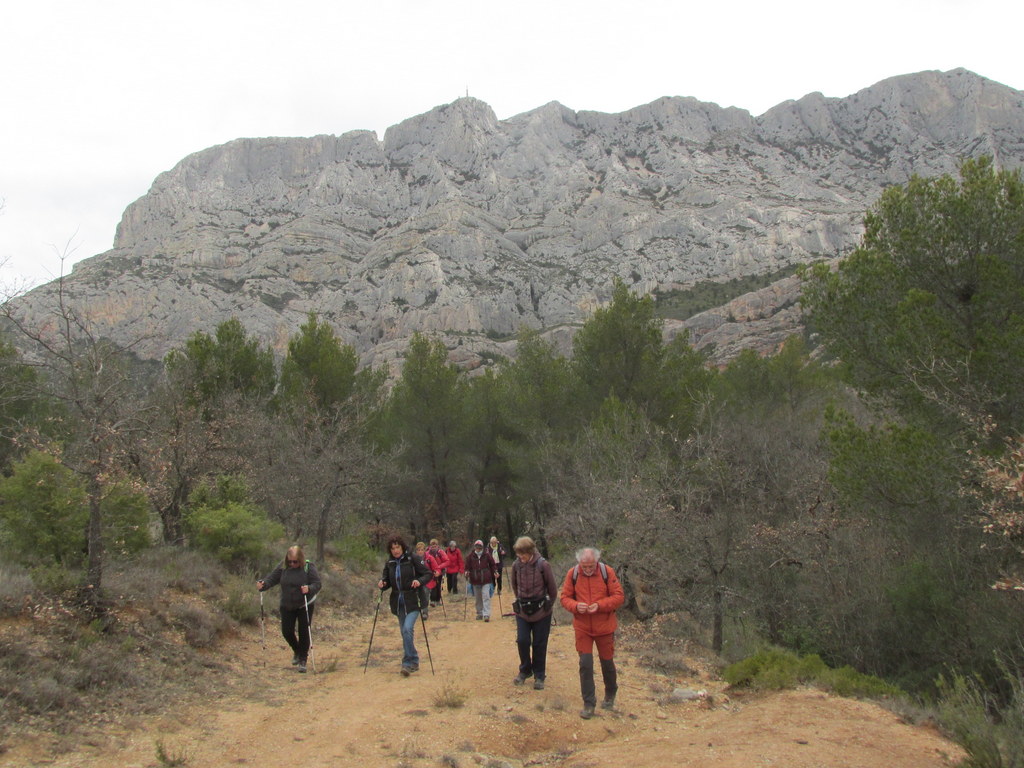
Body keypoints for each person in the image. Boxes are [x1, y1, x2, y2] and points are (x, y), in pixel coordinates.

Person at [559, 547, 625, 719]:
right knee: (585, 664)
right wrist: (575, 606)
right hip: (583, 628)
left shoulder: (606, 572)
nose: (587, 570)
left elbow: (619, 596)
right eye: (584, 566)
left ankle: (610, 694)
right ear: (579, 563)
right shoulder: (572, 574)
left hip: (604, 627)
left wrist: (600, 605)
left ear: (597, 561)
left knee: (607, 663)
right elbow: (564, 598)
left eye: (591, 566)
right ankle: (589, 704)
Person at [257, 545, 321, 674]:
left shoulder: (309, 567)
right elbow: (272, 579)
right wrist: (263, 585)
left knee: (304, 631)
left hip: (305, 604)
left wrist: (309, 588)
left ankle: (303, 659)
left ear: (301, 559)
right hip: (287, 604)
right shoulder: (283, 567)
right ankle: (297, 650)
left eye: (295, 561)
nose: (292, 564)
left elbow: (317, 584)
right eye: (290, 561)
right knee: (286, 631)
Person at [510, 536, 558, 691]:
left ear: (530, 551)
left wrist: (547, 605)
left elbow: (552, 589)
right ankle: (525, 669)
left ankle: (539, 675)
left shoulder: (543, 565)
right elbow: (514, 585)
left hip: (541, 611)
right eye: (518, 554)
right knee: (522, 640)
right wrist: (520, 600)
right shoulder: (516, 565)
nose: (520, 557)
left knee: (539, 643)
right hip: (523, 610)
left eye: (522, 554)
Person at [378, 535, 430, 676]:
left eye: (398, 547)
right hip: (398, 602)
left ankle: (407, 663)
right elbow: (387, 581)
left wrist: (419, 581)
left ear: (402, 547)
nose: (395, 550)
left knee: (407, 629)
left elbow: (427, 574)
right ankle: (413, 659)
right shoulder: (390, 563)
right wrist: (382, 584)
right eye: (393, 548)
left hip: (413, 600)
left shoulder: (412, 559)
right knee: (404, 632)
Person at [465, 539, 497, 621]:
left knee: (486, 596)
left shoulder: (487, 555)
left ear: (482, 547)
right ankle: (479, 613)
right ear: (475, 547)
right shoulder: (470, 556)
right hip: (475, 579)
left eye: (480, 548)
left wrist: (495, 572)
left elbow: (492, 564)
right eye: (477, 547)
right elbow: (467, 567)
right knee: (478, 598)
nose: (478, 549)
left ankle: (486, 614)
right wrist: (467, 572)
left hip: (486, 579)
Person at [426, 539, 450, 606]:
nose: (433, 547)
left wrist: (439, 567)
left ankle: (437, 600)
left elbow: (447, 561)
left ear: (437, 545)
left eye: (435, 545)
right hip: (430, 572)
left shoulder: (440, 552)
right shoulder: (427, 553)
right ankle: (433, 600)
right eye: (432, 546)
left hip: (439, 571)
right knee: (432, 585)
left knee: (438, 585)